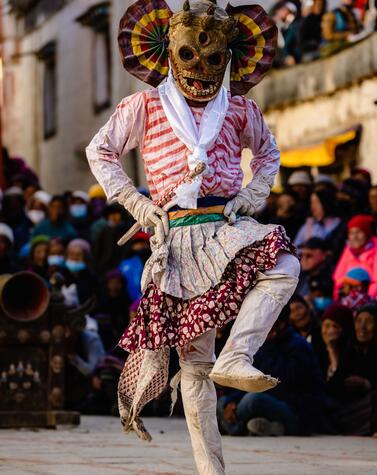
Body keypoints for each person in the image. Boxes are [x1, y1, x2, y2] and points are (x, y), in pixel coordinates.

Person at [87, 1, 300, 473]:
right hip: (176, 233)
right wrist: (139, 204)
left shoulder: (241, 108)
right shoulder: (141, 105)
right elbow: (99, 151)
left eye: (213, 59)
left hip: (225, 225)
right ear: (168, 53)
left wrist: (252, 194)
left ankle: (239, 354)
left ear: (229, 58)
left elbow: (268, 154)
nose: (201, 70)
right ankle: (211, 470)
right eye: (190, 56)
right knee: (195, 360)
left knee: (285, 266)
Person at [217, 306, 325, 436]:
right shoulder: (263, 343)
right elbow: (250, 380)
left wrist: (269, 345)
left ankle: (233, 427)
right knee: (222, 402)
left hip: (296, 412)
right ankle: (263, 426)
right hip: (272, 400)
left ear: (280, 325)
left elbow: (277, 385)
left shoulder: (298, 346)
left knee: (253, 400)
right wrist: (231, 402)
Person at [327, 304, 377, 435]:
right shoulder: (350, 348)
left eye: (369, 322)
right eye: (359, 321)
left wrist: (366, 384)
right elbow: (333, 386)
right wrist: (333, 352)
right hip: (351, 407)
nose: (362, 328)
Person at [333, 214, 377, 298]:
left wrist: (367, 300)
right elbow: (338, 279)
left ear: (367, 233)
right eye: (351, 233)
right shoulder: (348, 250)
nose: (354, 237)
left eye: (359, 232)